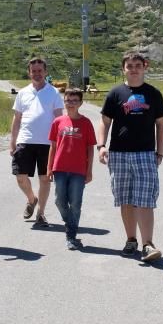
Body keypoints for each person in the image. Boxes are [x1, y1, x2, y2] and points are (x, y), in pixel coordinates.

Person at [97, 52, 163, 261]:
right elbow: (104, 122)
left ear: (144, 67)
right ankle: (131, 240)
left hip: (145, 154)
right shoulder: (115, 93)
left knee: (145, 200)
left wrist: (160, 151)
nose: (134, 69)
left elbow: (161, 125)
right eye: (130, 66)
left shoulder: (153, 94)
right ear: (124, 69)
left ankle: (148, 244)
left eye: (138, 65)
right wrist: (101, 145)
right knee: (126, 200)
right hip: (118, 154)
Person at [10, 57, 63, 227]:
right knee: (20, 176)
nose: (37, 74)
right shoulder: (22, 93)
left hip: (47, 143)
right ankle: (32, 199)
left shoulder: (53, 92)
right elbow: (16, 119)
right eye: (34, 71)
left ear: (45, 72)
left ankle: (41, 213)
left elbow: (59, 118)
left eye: (40, 71)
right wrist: (12, 141)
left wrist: (60, 143)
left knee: (45, 179)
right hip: (25, 140)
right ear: (29, 72)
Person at [47, 88, 96, 250]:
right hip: (59, 168)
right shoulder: (58, 122)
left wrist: (89, 171)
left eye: (75, 101)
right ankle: (70, 222)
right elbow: (53, 147)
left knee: (75, 203)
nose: (71, 104)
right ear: (64, 102)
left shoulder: (86, 122)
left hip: (78, 170)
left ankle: (71, 235)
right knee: (59, 201)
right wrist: (49, 168)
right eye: (68, 100)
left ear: (80, 103)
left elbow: (90, 148)